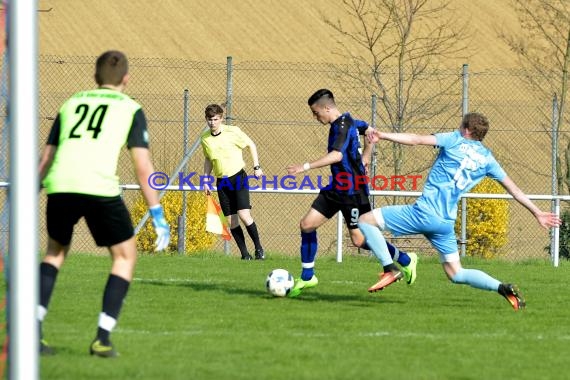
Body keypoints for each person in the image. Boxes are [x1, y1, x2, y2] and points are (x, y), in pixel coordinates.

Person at [37, 50, 171, 357]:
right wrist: (157, 213)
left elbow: (47, 157)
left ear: (95, 77)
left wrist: (32, 186)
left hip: (61, 185)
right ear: (126, 78)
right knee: (124, 257)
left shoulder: (71, 103)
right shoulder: (131, 108)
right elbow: (142, 166)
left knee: (55, 253)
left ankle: (32, 332)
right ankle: (102, 339)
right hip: (99, 187)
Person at [358, 112, 561, 310]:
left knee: (366, 221)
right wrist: (537, 212)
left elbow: (416, 140)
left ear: (465, 129)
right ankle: (502, 287)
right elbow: (514, 189)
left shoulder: (454, 139)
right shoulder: (487, 159)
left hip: (424, 213)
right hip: (445, 222)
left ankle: (390, 268)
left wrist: (383, 135)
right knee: (456, 273)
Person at [285, 88, 417, 298]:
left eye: (316, 112)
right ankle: (308, 276)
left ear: (327, 107)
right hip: (337, 187)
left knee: (358, 240)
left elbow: (336, 155)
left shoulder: (343, 126)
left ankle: (405, 260)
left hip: (354, 192)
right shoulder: (353, 122)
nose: (315, 116)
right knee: (306, 225)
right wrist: (365, 156)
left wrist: (305, 167)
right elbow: (371, 133)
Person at [201, 103, 265, 260]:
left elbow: (251, 145)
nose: (212, 122)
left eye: (215, 119)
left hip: (238, 178)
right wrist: (205, 180)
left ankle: (259, 249)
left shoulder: (233, 131)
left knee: (244, 215)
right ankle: (245, 254)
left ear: (221, 119)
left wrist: (256, 167)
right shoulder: (205, 139)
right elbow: (208, 159)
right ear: (206, 119)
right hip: (222, 183)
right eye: (210, 119)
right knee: (231, 221)